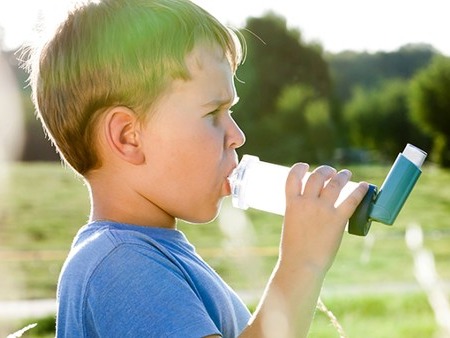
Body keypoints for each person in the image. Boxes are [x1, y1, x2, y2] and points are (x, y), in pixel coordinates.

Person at [25, 0, 369, 336]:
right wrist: (301, 264)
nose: (237, 135)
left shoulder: (146, 255)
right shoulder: (120, 265)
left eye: (230, 113)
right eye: (212, 114)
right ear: (129, 137)